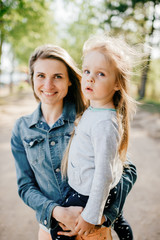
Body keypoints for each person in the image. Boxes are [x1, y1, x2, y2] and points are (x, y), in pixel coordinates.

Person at [11, 44, 137, 240]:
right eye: (41, 75)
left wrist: (102, 215)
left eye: (58, 76)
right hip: (51, 228)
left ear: (70, 80)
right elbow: (25, 186)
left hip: (94, 229)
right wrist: (57, 212)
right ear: (32, 78)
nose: (48, 85)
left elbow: (125, 170)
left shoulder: (89, 116)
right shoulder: (22, 129)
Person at [51, 35, 137, 240]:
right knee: (119, 220)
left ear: (117, 83)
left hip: (88, 193)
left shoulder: (105, 123)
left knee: (59, 232)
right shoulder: (95, 110)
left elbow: (103, 174)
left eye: (100, 74)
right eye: (87, 71)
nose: (89, 78)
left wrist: (91, 215)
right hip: (84, 186)